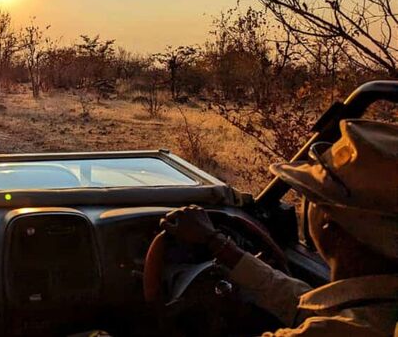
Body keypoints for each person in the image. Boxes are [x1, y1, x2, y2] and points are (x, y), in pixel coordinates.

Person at [160, 119, 398, 336]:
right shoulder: (374, 310)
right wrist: (218, 244)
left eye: (311, 198)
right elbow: (303, 305)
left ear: (328, 222)